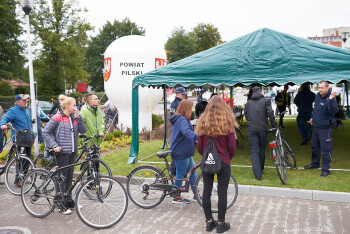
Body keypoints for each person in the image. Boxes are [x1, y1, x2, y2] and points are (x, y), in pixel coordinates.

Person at [196, 96, 237, 233]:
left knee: (206, 191)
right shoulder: (227, 121)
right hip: (223, 160)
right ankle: (220, 223)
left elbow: (200, 146)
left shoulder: (203, 121)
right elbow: (232, 145)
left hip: (208, 160)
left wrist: (206, 156)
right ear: (223, 106)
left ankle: (209, 222)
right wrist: (228, 157)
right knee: (222, 192)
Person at [43, 95, 86, 214]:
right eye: (74, 105)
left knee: (69, 178)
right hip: (61, 152)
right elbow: (46, 132)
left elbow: (83, 130)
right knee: (61, 178)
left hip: (72, 151)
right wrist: (54, 145)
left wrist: (79, 117)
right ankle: (59, 203)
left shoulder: (74, 118)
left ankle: (68, 200)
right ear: (67, 106)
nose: (76, 107)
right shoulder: (57, 117)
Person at [304, 81, 338, 177]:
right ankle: (315, 164)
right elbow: (316, 108)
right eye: (319, 87)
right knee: (314, 146)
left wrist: (331, 100)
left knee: (326, 149)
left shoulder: (331, 97)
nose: (320, 89)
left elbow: (334, 111)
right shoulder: (317, 96)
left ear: (327, 88)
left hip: (326, 128)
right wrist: (312, 117)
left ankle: (326, 170)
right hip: (316, 126)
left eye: (322, 88)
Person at [169, 99, 198, 204]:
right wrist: (198, 137)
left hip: (185, 151)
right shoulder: (182, 119)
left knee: (193, 171)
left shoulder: (182, 119)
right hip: (181, 151)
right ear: (186, 108)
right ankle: (176, 196)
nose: (192, 110)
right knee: (180, 174)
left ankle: (196, 194)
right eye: (190, 108)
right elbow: (186, 132)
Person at [244, 87, 277, 180]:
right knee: (261, 150)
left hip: (252, 128)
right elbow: (270, 113)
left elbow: (246, 115)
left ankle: (258, 173)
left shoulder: (248, 103)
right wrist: (274, 125)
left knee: (254, 151)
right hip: (262, 128)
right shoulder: (265, 101)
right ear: (261, 92)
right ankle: (260, 170)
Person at [0, 94, 32, 186]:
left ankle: (23, 177)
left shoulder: (26, 111)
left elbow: (29, 124)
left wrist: (32, 137)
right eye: (24, 100)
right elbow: (4, 119)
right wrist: (3, 124)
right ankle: (19, 179)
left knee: (27, 159)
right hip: (19, 139)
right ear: (17, 101)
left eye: (27, 100)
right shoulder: (13, 110)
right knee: (20, 159)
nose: (26, 102)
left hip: (28, 138)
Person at [169, 87, 194, 175]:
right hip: (180, 131)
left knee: (189, 171)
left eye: (184, 94)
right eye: (183, 94)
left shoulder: (181, 103)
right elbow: (174, 117)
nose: (184, 96)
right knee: (179, 169)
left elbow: (192, 116)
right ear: (178, 94)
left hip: (182, 131)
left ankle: (173, 173)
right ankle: (172, 172)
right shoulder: (175, 104)